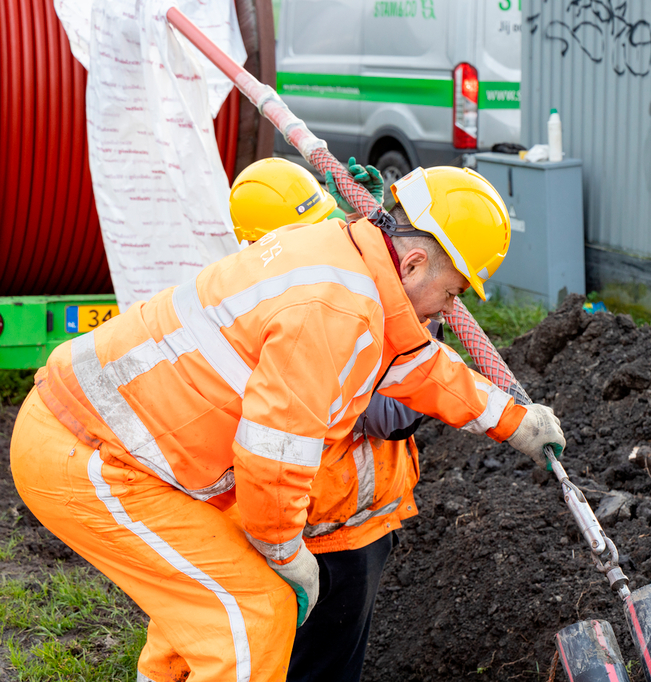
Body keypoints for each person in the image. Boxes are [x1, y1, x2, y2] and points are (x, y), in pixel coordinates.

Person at [10, 160, 565, 682]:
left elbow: (414, 361)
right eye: (450, 293)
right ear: (415, 262)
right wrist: (284, 551)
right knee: (250, 615)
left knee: (207, 607)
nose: (448, 310)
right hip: (90, 457)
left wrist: (514, 421)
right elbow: (274, 457)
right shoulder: (333, 311)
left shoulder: (344, 257)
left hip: (118, 446)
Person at [228, 156, 440, 682]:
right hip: (328, 530)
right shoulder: (309, 320)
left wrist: (369, 228)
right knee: (316, 667)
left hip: (324, 522)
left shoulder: (244, 293)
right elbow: (393, 413)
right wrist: (422, 313)